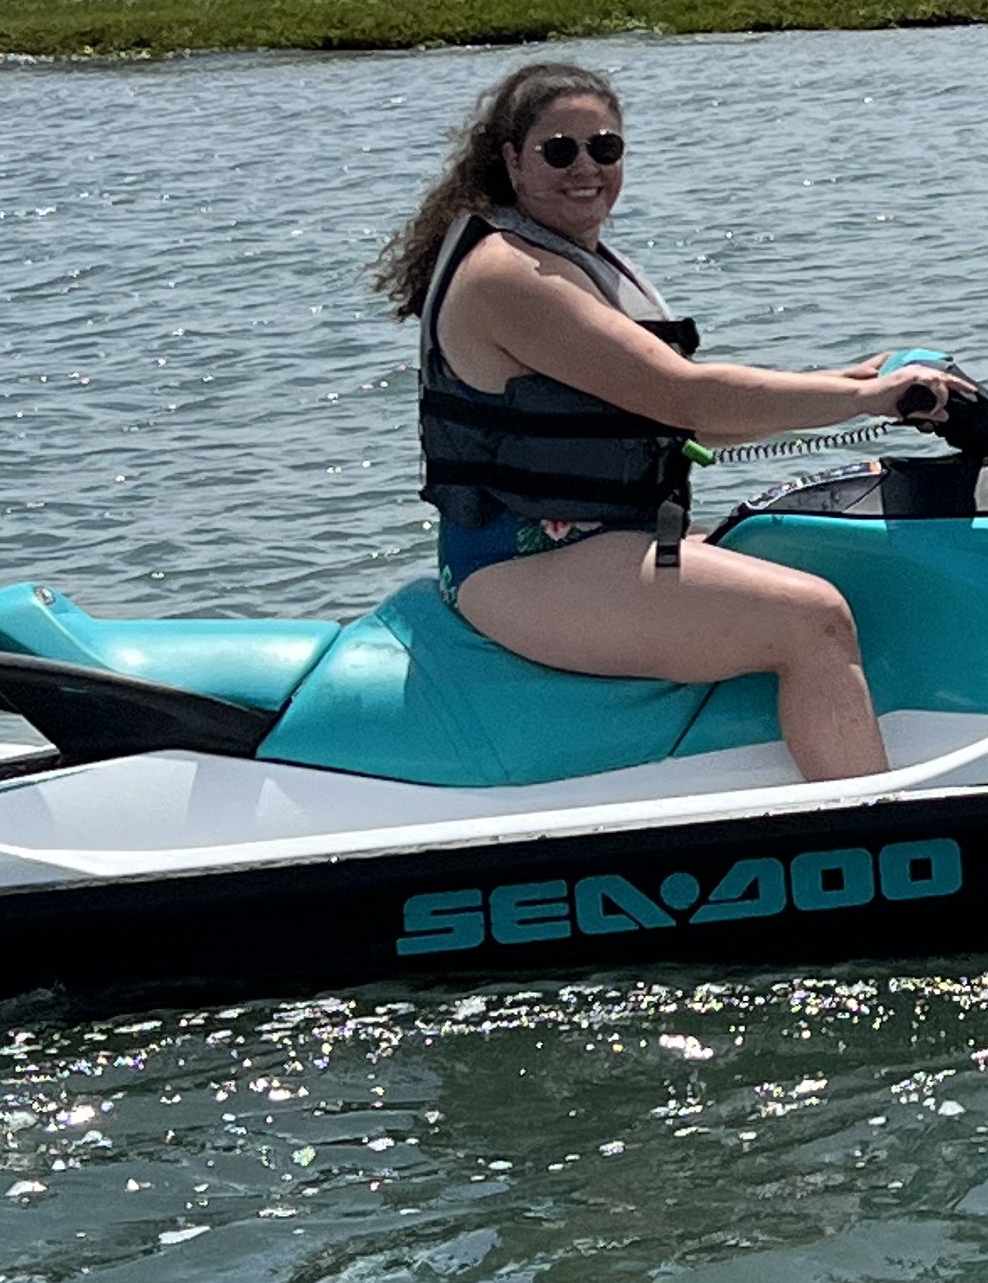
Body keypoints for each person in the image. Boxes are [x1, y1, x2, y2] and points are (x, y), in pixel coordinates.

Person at [372, 57, 949, 781]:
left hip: (603, 543)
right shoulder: (509, 276)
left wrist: (854, 380)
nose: (586, 167)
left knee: (825, 548)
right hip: (519, 564)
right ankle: (873, 825)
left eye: (604, 147)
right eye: (560, 151)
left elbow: (683, 424)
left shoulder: (577, 261)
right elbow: (686, 398)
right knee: (813, 618)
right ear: (513, 162)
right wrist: (865, 399)